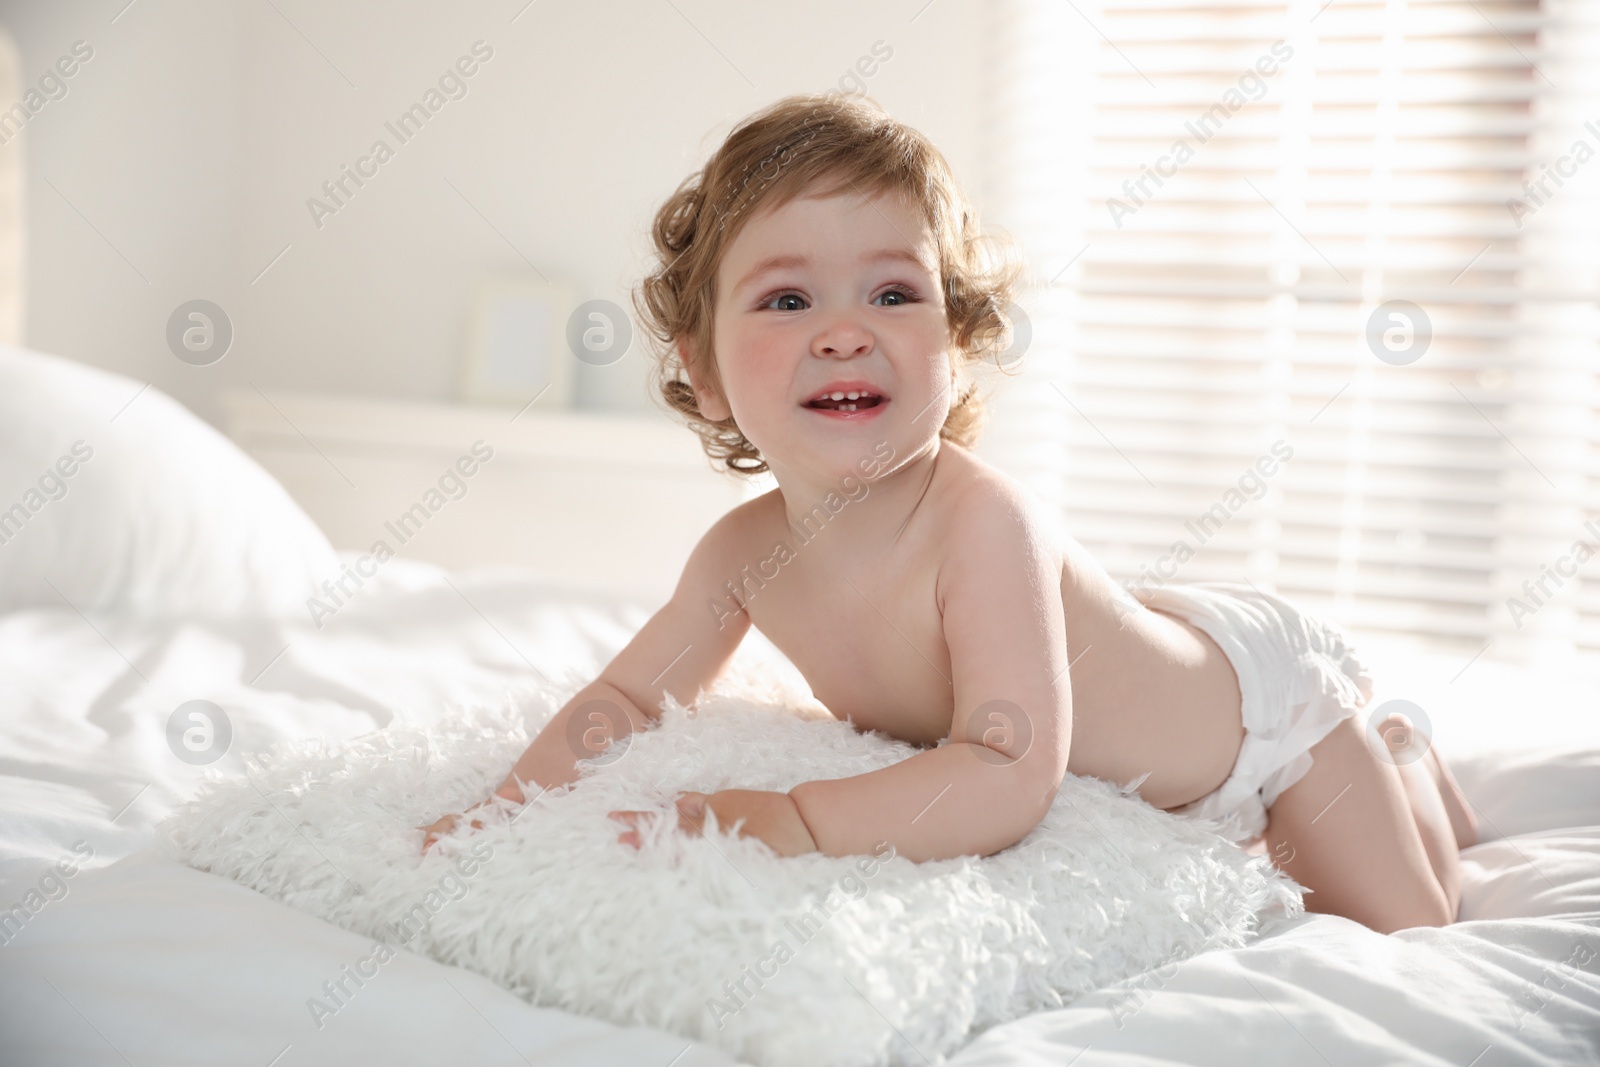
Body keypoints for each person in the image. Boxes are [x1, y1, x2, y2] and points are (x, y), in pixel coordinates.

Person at [422, 94, 1477, 935]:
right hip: (1129, 671)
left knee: (1406, 922)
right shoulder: (741, 553)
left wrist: (797, 819)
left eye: (891, 294)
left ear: (958, 342)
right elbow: (628, 697)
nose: (843, 331)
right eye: (787, 300)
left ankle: (1395, 747)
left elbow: (1008, 768)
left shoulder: (979, 521)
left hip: (1262, 724)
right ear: (701, 372)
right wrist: (508, 808)